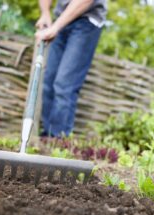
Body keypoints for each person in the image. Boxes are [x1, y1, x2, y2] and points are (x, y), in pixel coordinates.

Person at [35, 0, 107, 137]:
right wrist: (45, 13)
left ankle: (58, 141)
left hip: (87, 21)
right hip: (61, 20)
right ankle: (47, 137)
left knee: (64, 85)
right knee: (48, 83)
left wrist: (55, 27)